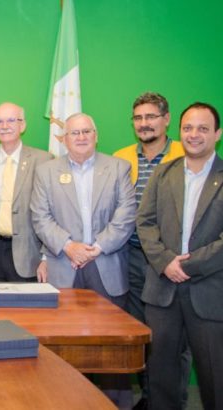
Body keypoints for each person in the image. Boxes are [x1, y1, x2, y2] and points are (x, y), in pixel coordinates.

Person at [30, 112, 136, 407]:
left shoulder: (118, 168)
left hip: (107, 267)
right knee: (62, 349)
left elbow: (126, 217)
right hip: (64, 267)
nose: (80, 137)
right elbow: (40, 216)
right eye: (74, 133)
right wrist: (68, 247)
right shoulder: (47, 171)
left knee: (111, 351)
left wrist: (97, 248)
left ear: (96, 134)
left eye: (86, 131)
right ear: (64, 139)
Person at [137, 102, 223, 410]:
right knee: (161, 376)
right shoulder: (163, 173)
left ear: (217, 134)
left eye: (202, 128)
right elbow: (144, 222)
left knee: (215, 378)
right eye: (188, 128)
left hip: (210, 292)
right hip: (162, 291)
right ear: (179, 131)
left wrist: (188, 265)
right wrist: (165, 262)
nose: (194, 135)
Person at [113, 92, 188, 410]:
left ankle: (169, 402)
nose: (144, 124)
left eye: (151, 117)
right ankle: (145, 397)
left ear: (166, 119)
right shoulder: (121, 157)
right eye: (138, 118)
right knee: (135, 333)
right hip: (129, 258)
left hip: (171, 262)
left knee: (171, 340)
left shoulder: (187, 153)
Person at [0, 102, 52, 282]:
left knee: (24, 310)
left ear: (23, 125)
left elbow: (52, 212)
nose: (4, 126)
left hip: (28, 254)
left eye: (11, 120)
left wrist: (46, 257)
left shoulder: (44, 160)